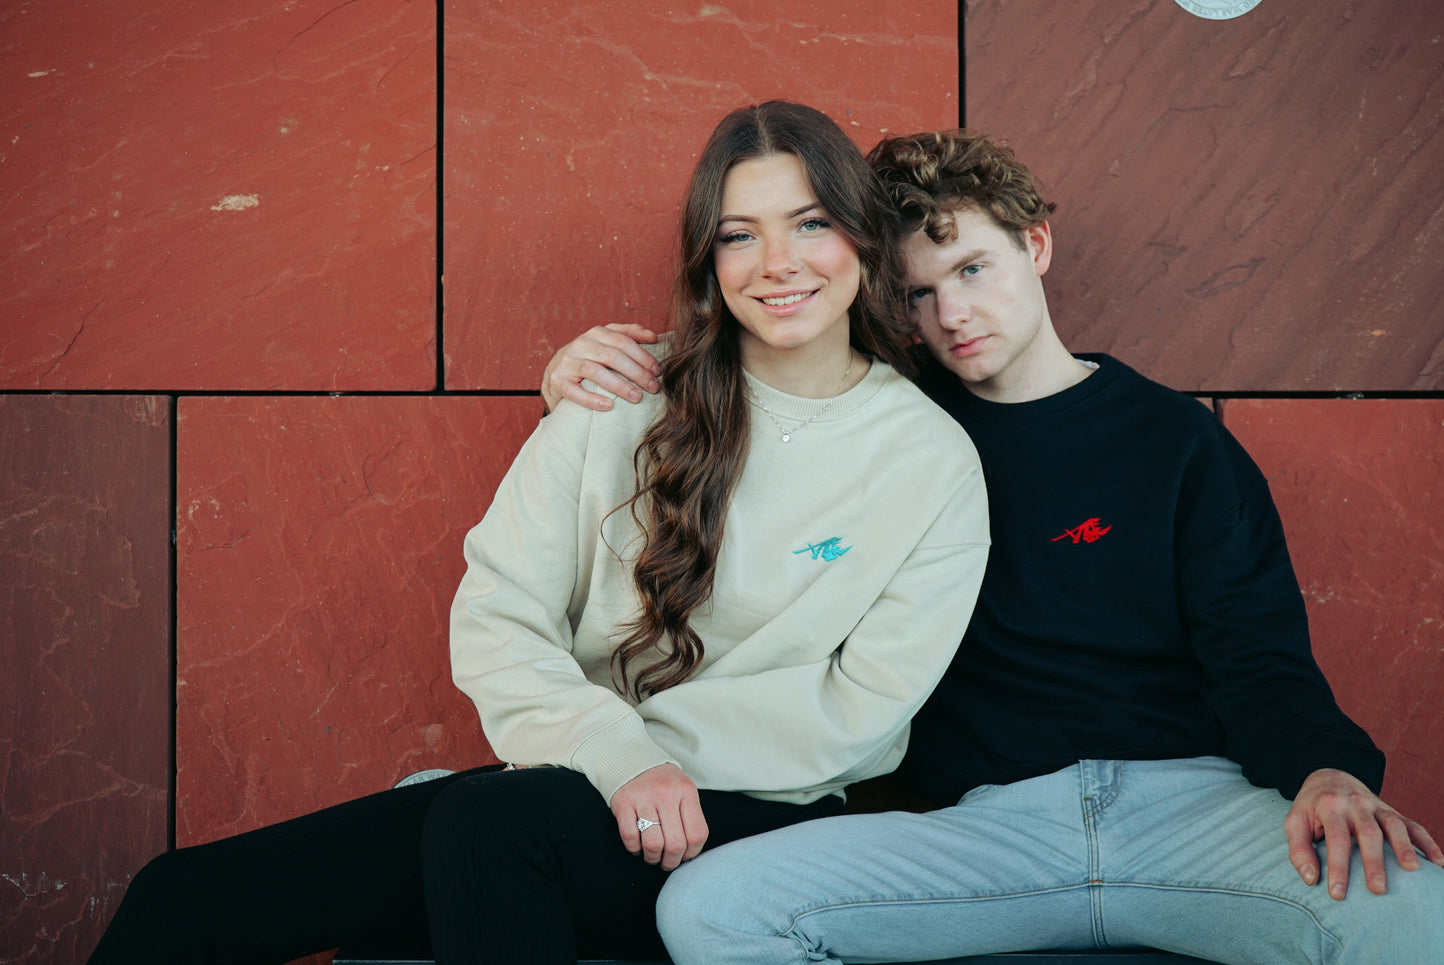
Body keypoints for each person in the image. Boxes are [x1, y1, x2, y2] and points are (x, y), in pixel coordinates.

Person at [85, 102, 989, 965]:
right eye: (738, 233)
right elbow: (497, 612)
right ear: (707, 256)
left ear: (860, 238)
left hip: (761, 815)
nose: (775, 262)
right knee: (183, 896)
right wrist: (614, 753)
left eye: (810, 223)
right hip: (582, 777)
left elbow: (861, 709)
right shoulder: (620, 398)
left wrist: (634, 759)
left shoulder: (929, 461)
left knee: (490, 823)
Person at [542, 127, 1444, 963]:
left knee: (1420, 910)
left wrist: (1327, 772)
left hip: (1196, 809)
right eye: (919, 295)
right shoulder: (889, 432)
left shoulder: (1173, 441)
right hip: (985, 828)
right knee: (712, 908)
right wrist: (589, 382)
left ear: (1036, 246)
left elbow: (1259, 654)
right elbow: (754, 385)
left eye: (973, 268)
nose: (953, 313)